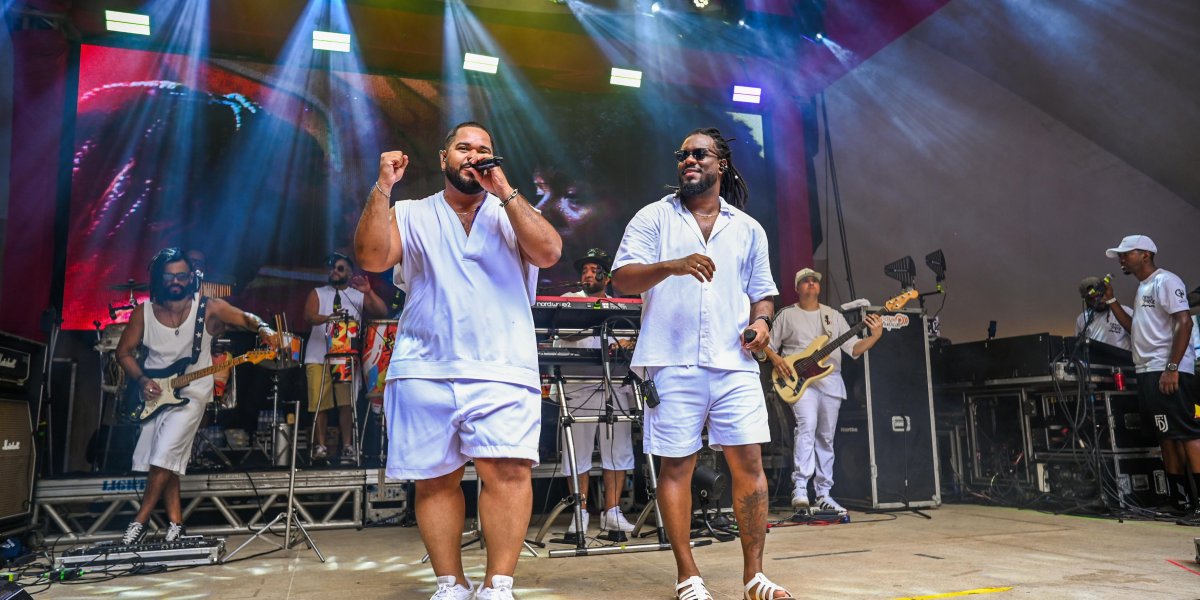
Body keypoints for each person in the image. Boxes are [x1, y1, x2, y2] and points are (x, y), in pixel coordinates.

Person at [354, 122, 561, 600]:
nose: (474, 154)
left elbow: (549, 253)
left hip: (503, 367)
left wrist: (505, 190)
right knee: (434, 480)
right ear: (444, 155)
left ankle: (498, 585)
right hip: (425, 366)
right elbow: (371, 257)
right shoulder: (410, 211)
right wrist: (384, 186)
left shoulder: (510, 211)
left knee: (508, 474)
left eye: (484, 149)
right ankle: (451, 582)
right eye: (464, 147)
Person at [611, 127, 792, 600]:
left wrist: (762, 325)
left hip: (734, 362)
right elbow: (623, 279)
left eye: (699, 154)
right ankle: (688, 576)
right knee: (677, 467)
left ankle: (754, 577)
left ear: (722, 164)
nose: (688, 161)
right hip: (671, 362)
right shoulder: (653, 218)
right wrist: (671, 265)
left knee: (749, 462)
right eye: (682, 155)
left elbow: (764, 294)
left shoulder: (748, 228)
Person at [115, 248, 278, 544]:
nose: (176, 280)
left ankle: (139, 521)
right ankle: (176, 524)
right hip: (154, 394)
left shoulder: (208, 307)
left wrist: (264, 327)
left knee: (165, 451)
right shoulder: (144, 313)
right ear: (158, 277)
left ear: (192, 277)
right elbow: (123, 352)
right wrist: (141, 379)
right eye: (170, 275)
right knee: (166, 458)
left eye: (182, 275)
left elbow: (246, 317)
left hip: (192, 393)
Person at [762, 269, 883, 515]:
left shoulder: (833, 316)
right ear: (797, 287)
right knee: (806, 427)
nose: (811, 283)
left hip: (830, 383)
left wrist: (875, 336)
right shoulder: (787, 315)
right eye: (806, 281)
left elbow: (854, 348)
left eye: (815, 281)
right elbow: (767, 346)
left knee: (825, 437)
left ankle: (824, 493)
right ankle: (800, 488)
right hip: (798, 382)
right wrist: (778, 361)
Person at [1101, 235, 1200, 523]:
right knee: (1166, 436)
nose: (1121, 259)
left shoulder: (1165, 281)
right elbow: (1136, 330)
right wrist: (1112, 300)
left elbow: (1185, 321)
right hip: (1147, 370)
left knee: (1188, 433)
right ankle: (1177, 500)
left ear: (1145, 254)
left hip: (1167, 369)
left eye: (1125, 253)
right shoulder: (1143, 287)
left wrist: (1172, 367)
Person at [554, 248, 637, 537]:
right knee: (578, 452)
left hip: (615, 385)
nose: (588, 275)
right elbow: (563, 332)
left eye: (594, 270)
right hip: (579, 385)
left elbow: (631, 340)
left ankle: (612, 513)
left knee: (619, 449)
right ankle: (580, 511)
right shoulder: (569, 301)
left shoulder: (619, 306)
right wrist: (597, 325)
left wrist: (622, 344)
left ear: (608, 276)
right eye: (584, 270)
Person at [303, 251, 387, 463]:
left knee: (345, 404)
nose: (335, 271)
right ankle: (321, 446)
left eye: (340, 268)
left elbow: (382, 312)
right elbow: (309, 316)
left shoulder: (357, 295)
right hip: (318, 355)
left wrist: (368, 292)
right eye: (332, 268)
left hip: (345, 358)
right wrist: (330, 318)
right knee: (319, 404)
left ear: (349, 272)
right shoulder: (318, 292)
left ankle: (348, 447)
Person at [1075, 276, 1133, 350]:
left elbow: (1140, 336)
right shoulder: (1082, 318)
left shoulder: (1125, 311)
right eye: (1091, 298)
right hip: (1095, 361)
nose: (1097, 300)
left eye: (1099, 295)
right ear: (1086, 300)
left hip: (1121, 360)